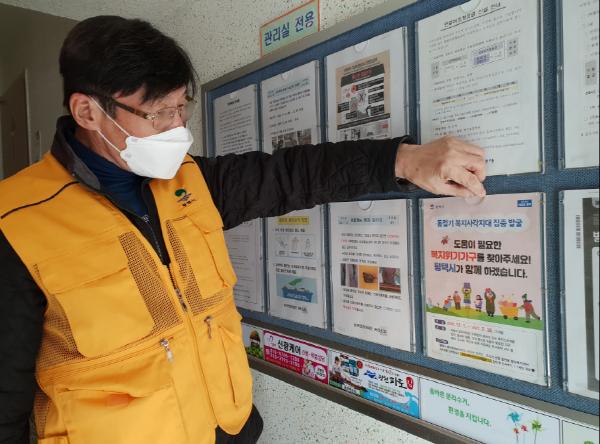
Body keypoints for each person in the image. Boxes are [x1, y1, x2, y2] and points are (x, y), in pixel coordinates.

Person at [0, 16, 486, 444]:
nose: (178, 128)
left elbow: (291, 175)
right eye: (159, 114)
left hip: (230, 431)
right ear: (88, 112)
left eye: (181, 108)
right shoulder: (18, 223)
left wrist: (403, 160)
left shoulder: (190, 181)